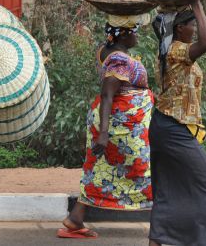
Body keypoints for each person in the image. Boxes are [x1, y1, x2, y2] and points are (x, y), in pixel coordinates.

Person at [148, 0, 206, 246]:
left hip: (168, 126)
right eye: (191, 24)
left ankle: (158, 241)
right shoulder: (175, 51)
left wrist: (195, 6)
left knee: (169, 191)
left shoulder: (172, 52)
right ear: (178, 28)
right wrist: (196, 3)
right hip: (172, 128)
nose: (194, 28)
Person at [58, 14, 154, 239]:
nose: (138, 35)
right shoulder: (119, 60)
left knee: (99, 169)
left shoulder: (106, 51)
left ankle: (75, 220)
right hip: (120, 127)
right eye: (135, 30)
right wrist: (104, 134)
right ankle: (164, 225)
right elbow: (108, 94)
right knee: (143, 170)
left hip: (119, 124)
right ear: (125, 34)